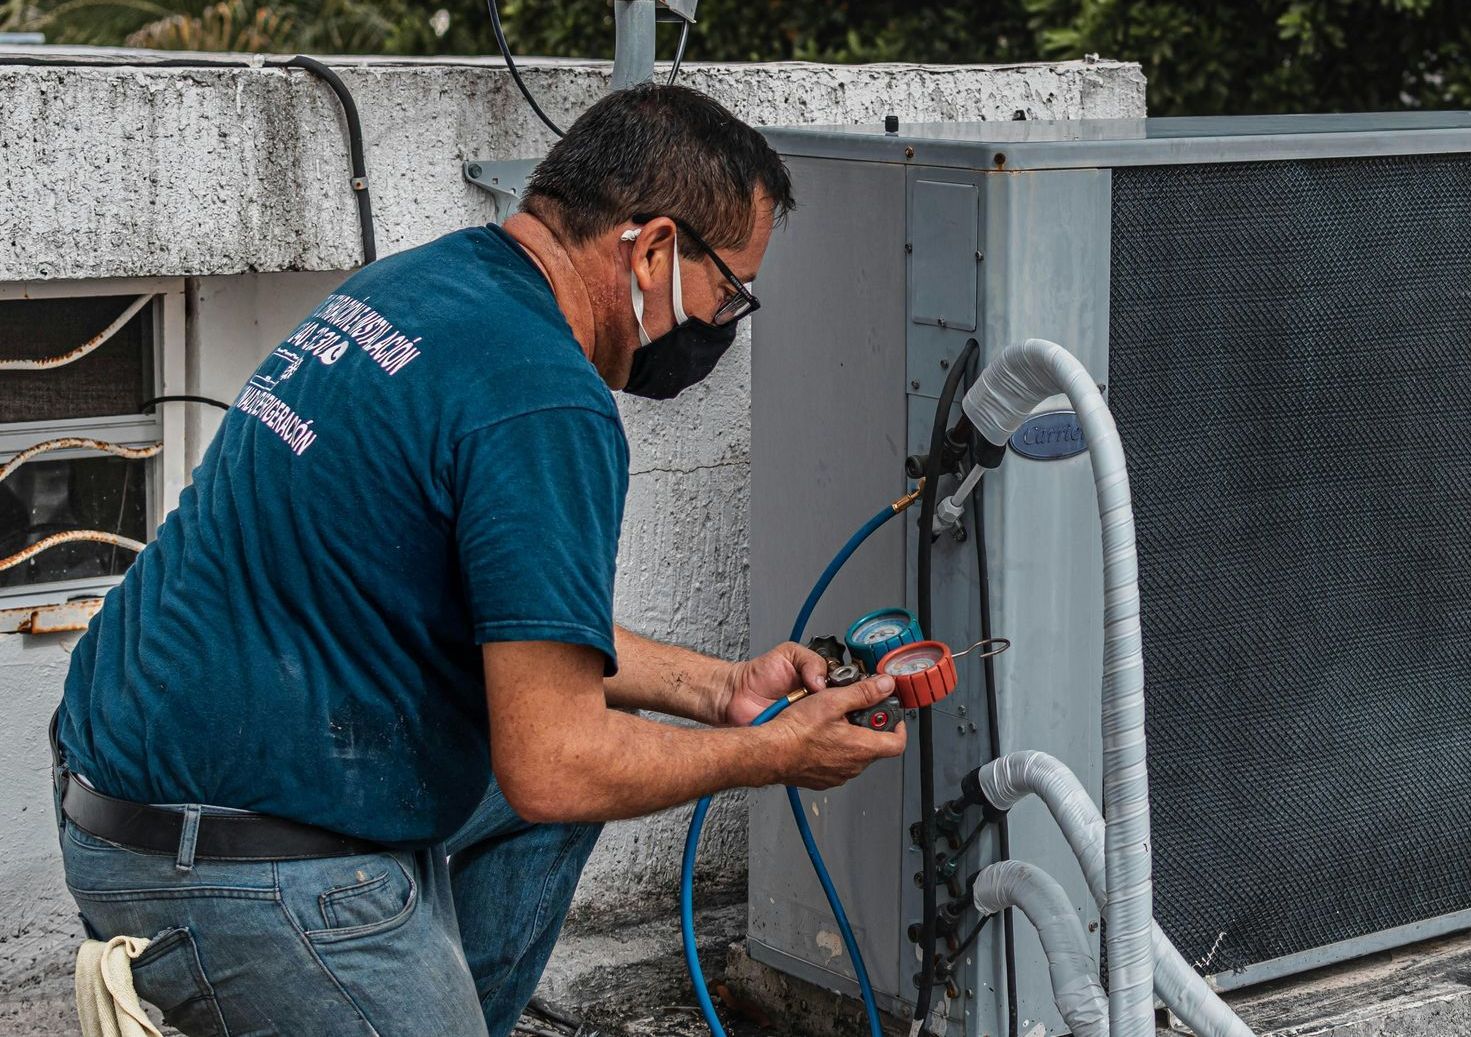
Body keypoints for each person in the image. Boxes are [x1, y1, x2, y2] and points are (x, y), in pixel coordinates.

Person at [51, 83, 905, 1036]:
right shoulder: (546, 399)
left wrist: (722, 689)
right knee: (574, 771)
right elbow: (556, 761)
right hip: (231, 863)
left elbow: (528, 635)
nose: (726, 322)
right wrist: (772, 750)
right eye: (731, 291)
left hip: (118, 783)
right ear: (657, 248)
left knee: (565, 776)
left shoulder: (419, 286)